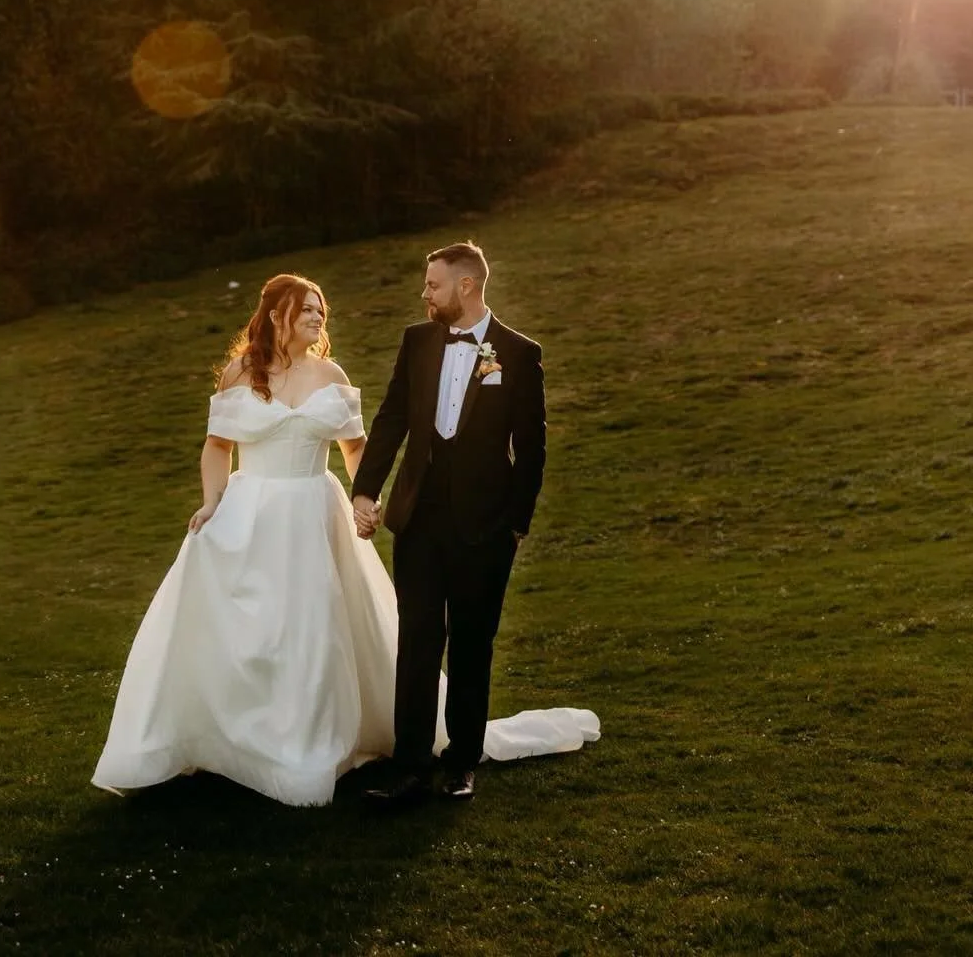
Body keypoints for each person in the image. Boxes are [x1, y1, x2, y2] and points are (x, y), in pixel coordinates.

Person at [91, 266, 597, 809]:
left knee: (313, 630)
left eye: (320, 311)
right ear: (276, 313)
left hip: (313, 512)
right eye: (306, 309)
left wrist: (366, 498)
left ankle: (333, 745)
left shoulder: (331, 375)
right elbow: (217, 446)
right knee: (247, 631)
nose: (316, 317)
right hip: (250, 511)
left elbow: (359, 446)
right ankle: (235, 741)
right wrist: (212, 501)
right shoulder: (239, 372)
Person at [351, 241, 553, 804]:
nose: (425, 294)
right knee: (416, 641)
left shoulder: (517, 352)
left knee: (471, 645)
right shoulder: (416, 342)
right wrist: (366, 489)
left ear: (466, 285)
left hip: (485, 527)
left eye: (433, 285)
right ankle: (411, 768)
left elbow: (531, 448)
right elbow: (391, 417)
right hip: (416, 518)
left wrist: (516, 524)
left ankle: (462, 763)